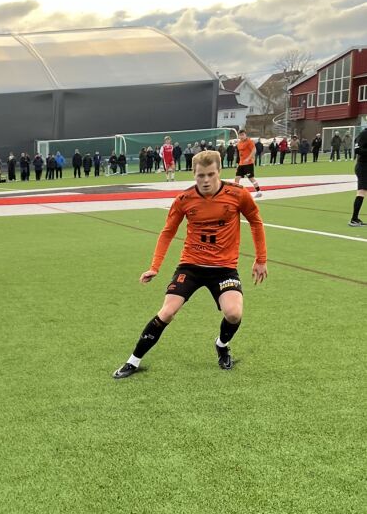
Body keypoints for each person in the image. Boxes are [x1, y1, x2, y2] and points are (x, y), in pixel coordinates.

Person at [112, 149, 267, 380]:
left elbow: (255, 221)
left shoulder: (237, 194)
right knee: (167, 312)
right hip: (191, 266)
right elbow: (167, 232)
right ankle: (133, 361)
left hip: (224, 268)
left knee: (233, 314)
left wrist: (261, 259)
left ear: (219, 171)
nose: (205, 180)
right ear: (193, 174)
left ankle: (221, 345)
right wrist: (155, 266)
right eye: (200, 175)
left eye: (210, 175)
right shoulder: (184, 200)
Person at [231, 129, 262, 198]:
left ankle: (259, 191)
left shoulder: (249, 141)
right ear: (238, 136)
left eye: (243, 135)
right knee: (237, 178)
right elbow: (240, 154)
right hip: (241, 164)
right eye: (240, 135)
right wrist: (238, 163)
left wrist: (248, 158)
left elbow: (254, 150)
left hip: (248, 163)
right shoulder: (239, 143)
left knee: (251, 178)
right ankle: (236, 192)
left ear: (245, 135)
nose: (241, 136)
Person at [350, 129, 367, 227]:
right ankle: (354, 219)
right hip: (363, 167)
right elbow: (357, 149)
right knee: (361, 192)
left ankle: (355, 219)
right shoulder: (364, 134)